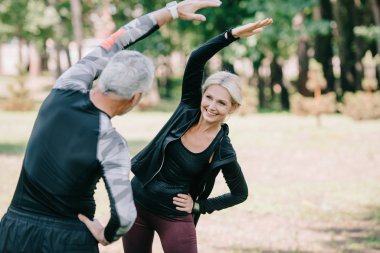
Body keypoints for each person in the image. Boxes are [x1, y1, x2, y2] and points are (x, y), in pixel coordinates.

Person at [0, 1, 222, 252]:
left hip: (14, 229)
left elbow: (118, 38)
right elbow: (125, 216)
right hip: (70, 239)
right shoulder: (111, 142)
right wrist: (106, 235)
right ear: (135, 98)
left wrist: (171, 12)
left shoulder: (65, 87)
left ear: (102, 74)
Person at [121, 18, 273, 253]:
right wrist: (230, 35)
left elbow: (240, 193)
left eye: (221, 103)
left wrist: (199, 206)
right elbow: (196, 58)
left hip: (173, 216)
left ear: (232, 108)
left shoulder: (222, 149)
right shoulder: (187, 110)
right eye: (209, 97)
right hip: (136, 201)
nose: (211, 106)